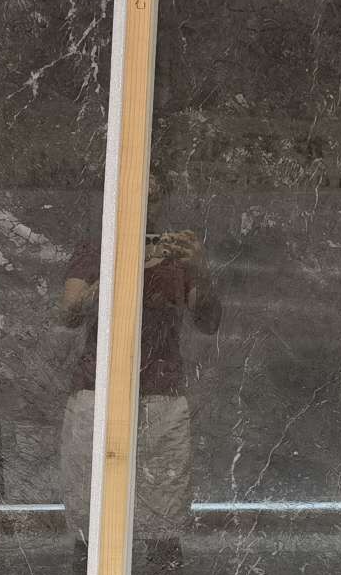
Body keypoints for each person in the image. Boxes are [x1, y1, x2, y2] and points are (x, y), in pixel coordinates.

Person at [57, 227, 222, 554]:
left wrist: (200, 270)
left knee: (164, 525)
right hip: (98, 392)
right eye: (147, 199)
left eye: (156, 199)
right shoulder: (99, 245)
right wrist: (118, 269)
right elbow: (69, 315)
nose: (150, 206)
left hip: (161, 397)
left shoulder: (178, 251)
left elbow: (208, 323)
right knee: (91, 522)